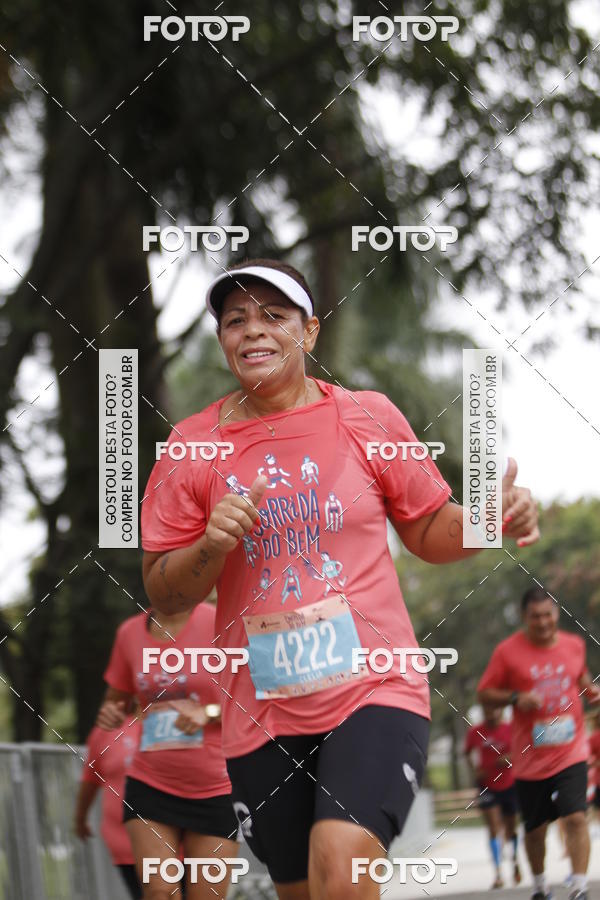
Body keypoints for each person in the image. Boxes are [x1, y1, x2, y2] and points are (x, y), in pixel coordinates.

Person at [140, 257, 540, 900]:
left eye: (274, 316)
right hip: (261, 714)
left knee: (342, 860)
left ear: (310, 332)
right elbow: (163, 592)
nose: (253, 331)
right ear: (222, 341)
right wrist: (211, 547)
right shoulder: (192, 447)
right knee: (303, 890)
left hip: (375, 688)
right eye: (236, 320)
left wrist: (491, 516)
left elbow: (428, 529)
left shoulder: (367, 416)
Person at [97, 604, 239, 900]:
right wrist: (112, 713)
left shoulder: (220, 620)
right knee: (160, 892)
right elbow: (118, 699)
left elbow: (252, 698)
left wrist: (208, 713)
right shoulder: (129, 633)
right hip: (150, 783)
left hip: (215, 788)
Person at [478, 586, 600, 900]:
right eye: (535, 617)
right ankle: (540, 884)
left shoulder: (574, 645)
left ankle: (578, 886)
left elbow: (581, 677)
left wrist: (590, 690)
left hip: (571, 749)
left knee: (575, 816)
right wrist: (516, 697)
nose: (543, 623)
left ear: (556, 614)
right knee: (535, 829)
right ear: (524, 618)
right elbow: (485, 693)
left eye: (548, 615)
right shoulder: (507, 652)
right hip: (530, 755)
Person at [75, 713, 142, 898]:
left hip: (180, 838)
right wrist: (80, 818)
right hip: (126, 841)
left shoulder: (181, 724)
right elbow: (90, 778)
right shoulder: (109, 730)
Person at [465, 704, 521, 889]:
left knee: (511, 828)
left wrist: (509, 758)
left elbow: (522, 750)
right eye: (488, 711)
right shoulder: (475, 732)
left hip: (510, 784)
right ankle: (497, 872)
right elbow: (466, 753)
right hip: (487, 785)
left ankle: (514, 861)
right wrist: (475, 770)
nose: (491, 713)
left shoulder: (510, 728)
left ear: (501, 711)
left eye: (494, 710)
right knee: (493, 827)